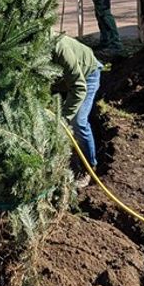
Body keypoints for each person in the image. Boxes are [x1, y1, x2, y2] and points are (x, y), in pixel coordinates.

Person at [51, 35, 103, 188]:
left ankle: (89, 167)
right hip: (59, 81)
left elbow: (79, 87)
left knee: (78, 121)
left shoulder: (59, 49)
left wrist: (64, 118)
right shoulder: (26, 50)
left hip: (87, 76)